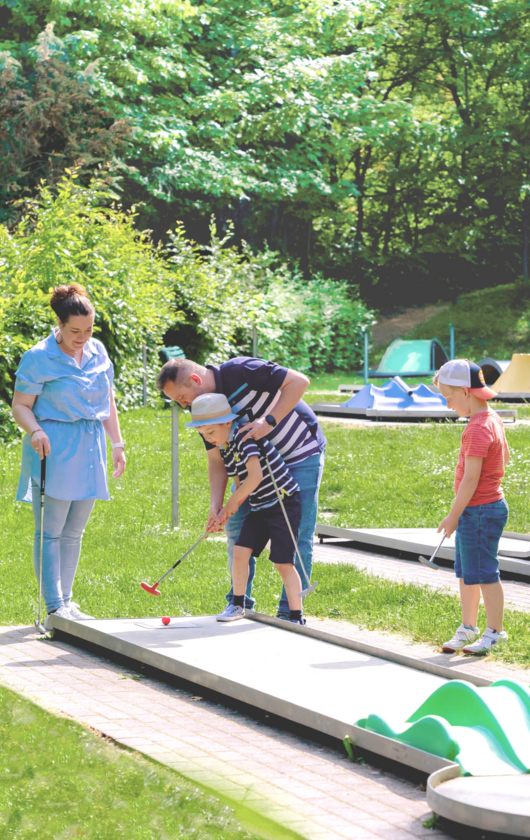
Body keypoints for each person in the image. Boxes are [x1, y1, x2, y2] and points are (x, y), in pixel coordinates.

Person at [156, 356, 326, 619]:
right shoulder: (203, 410)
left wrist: (267, 421)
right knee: (237, 532)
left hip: (299, 452)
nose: (182, 404)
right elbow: (216, 459)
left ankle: (290, 613)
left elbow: (299, 382)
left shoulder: (241, 371)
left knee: (297, 535)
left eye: (181, 397)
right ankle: (239, 602)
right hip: (250, 472)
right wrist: (217, 505)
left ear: (195, 380)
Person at [11, 284, 126, 630]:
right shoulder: (38, 357)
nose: (83, 337)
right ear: (58, 324)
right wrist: (36, 431)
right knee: (50, 531)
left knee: (74, 532)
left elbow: (107, 402)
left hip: (91, 445)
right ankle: (53, 607)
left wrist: (117, 444)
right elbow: (20, 405)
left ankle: (67, 602)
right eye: (75, 331)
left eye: (88, 330)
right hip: (54, 446)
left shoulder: (98, 351)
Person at [185, 393, 306, 623]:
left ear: (227, 422)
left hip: (283, 502)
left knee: (283, 563)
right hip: (260, 506)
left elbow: (255, 477)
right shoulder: (226, 447)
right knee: (240, 552)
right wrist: (223, 514)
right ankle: (237, 605)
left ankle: (296, 617)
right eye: (203, 435)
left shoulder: (243, 437)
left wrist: (231, 503)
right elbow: (241, 486)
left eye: (211, 433)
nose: (209, 439)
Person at [435, 359, 510, 655]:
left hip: (480, 511)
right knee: (468, 572)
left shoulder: (477, 429)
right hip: (476, 510)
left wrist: (453, 515)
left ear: (466, 392)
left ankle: (495, 632)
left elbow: (471, 478)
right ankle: (468, 627)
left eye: (449, 398)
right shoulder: (490, 419)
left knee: (485, 573)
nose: (448, 404)